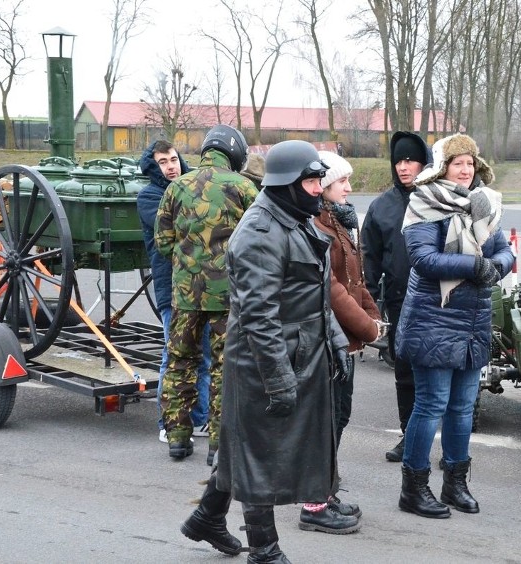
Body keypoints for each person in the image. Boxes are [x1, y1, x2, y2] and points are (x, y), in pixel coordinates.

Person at [181, 140, 358, 562]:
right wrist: (279, 379)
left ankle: (207, 517)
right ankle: (266, 550)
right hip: (264, 360)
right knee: (258, 455)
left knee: (244, 447)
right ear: (287, 183)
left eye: (320, 180)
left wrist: (334, 344)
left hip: (295, 353)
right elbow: (260, 317)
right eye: (312, 181)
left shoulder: (293, 218)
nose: (319, 188)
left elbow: (313, 292)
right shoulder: (261, 232)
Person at [395, 133, 514, 519]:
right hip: (433, 317)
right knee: (431, 405)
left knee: (463, 407)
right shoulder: (424, 201)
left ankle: (455, 484)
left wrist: (499, 265)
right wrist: (476, 266)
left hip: (473, 319)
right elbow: (423, 259)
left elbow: (504, 250)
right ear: (442, 166)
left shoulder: (483, 204)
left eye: (470, 163)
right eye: (457, 162)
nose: (465, 170)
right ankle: (413, 489)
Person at [155, 125, 259, 464]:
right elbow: (258, 240)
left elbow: (162, 242)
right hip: (228, 296)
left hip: (185, 296)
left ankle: (178, 440)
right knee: (223, 367)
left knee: (180, 363)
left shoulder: (176, 187)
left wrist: (188, 262)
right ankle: (218, 445)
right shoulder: (244, 187)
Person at [308, 150, 385, 529]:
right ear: (322, 187)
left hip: (345, 342)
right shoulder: (317, 228)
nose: (350, 188)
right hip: (327, 341)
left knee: (339, 416)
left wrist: (373, 315)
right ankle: (314, 504)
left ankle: (326, 489)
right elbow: (332, 289)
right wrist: (368, 327)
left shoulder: (338, 223)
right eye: (343, 182)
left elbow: (357, 280)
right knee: (325, 422)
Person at [360, 131, 430, 462]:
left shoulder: (439, 200)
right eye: (398, 161)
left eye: (410, 160)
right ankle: (409, 436)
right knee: (405, 375)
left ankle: (453, 445)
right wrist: (369, 306)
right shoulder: (381, 208)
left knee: (441, 375)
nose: (403, 167)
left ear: (424, 162)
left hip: (438, 302)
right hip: (401, 302)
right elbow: (369, 260)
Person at [137, 140, 212, 445]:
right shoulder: (149, 198)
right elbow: (185, 228)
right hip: (173, 289)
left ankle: (199, 420)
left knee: (204, 357)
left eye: (173, 159)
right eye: (163, 162)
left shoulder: (193, 188)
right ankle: (168, 424)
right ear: (154, 167)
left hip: (204, 287)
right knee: (175, 356)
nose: (170, 166)